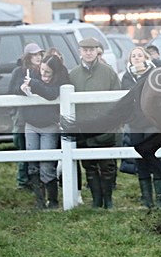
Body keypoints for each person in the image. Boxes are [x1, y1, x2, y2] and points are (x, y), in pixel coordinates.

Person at [69, 37, 121, 209]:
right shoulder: (73, 74)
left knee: (107, 165)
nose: (88, 52)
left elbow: (118, 98)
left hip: (105, 126)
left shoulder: (109, 72)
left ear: (97, 51)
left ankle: (109, 200)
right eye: (85, 50)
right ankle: (96, 201)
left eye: (91, 49)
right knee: (89, 166)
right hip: (84, 127)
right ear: (80, 52)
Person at [120, 47, 161, 208]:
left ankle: (159, 197)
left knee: (154, 155)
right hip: (135, 122)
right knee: (139, 158)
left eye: (139, 55)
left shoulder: (154, 73)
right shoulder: (127, 76)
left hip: (152, 121)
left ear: (145, 58)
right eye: (133, 55)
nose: (136, 58)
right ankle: (146, 198)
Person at [20, 55, 70, 209]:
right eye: (42, 70)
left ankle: (53, 201)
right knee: (32, 164)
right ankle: (39, 201)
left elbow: (51, 94)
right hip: (31, 124)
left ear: (55, 72)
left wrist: (34, 84)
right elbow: (14, 88)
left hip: (49, 125)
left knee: (47, 164)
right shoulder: (32, 75)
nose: (44, 74)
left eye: (48, 72)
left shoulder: (61, 81)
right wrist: (22, 88)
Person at [9, 42, 44, 190]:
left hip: (41, 115)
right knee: (23, 148)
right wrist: (21, 89)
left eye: (39, 54)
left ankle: (40, 180)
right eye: (34, 55)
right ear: (27, 57)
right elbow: (12, 90)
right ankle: (23, 182)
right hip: (22, 116)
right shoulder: (19, 71)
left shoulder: (44, 70)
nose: (37, 57)